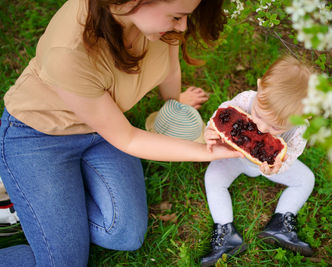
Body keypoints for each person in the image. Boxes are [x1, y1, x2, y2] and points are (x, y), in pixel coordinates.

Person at [0, 0, 242, 266]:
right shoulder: (67, 52)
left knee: (125, 235)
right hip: (39, 136)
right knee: (63, 262)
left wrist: (175, 106)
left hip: (104, 124)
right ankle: (27, 203)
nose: (183, 25)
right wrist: (206, 151)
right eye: (176, 17)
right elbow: (127, 138)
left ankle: (41, 207)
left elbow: (169, 66)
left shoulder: (159, 24)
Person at [200, 55, 316, 266]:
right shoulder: (246, 99)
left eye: (276, 128)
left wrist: (278, 167)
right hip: (234, 156)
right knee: (213, 178)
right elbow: (223, 114)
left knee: (307, 178)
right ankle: (226, 232)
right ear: (260, 87)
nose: (262, 129)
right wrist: (210, 130)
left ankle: (281, 222)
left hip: (268, 166)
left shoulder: (300, 129)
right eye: (258, 116)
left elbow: (292, 155)